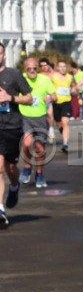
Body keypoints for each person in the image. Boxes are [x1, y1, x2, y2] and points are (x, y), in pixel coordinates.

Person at [0, 46, 26, 227]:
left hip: (12, 127)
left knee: (10, 168)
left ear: (4, 55)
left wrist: (11, 98)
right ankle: (0, 209)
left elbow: (30, 98)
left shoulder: (14, 74)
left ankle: (15, 186)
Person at [18, 57, 53, 188]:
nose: (32, 71)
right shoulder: (20, 79)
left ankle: (39, 173)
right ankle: (27, 167)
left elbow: (54, 95)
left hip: (40, 117)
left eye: (34, 68)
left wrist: (50, 98)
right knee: (26, 144)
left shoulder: (45, 79)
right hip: (24, 116)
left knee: (40, 148)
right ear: (25, 69)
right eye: (29, 69)